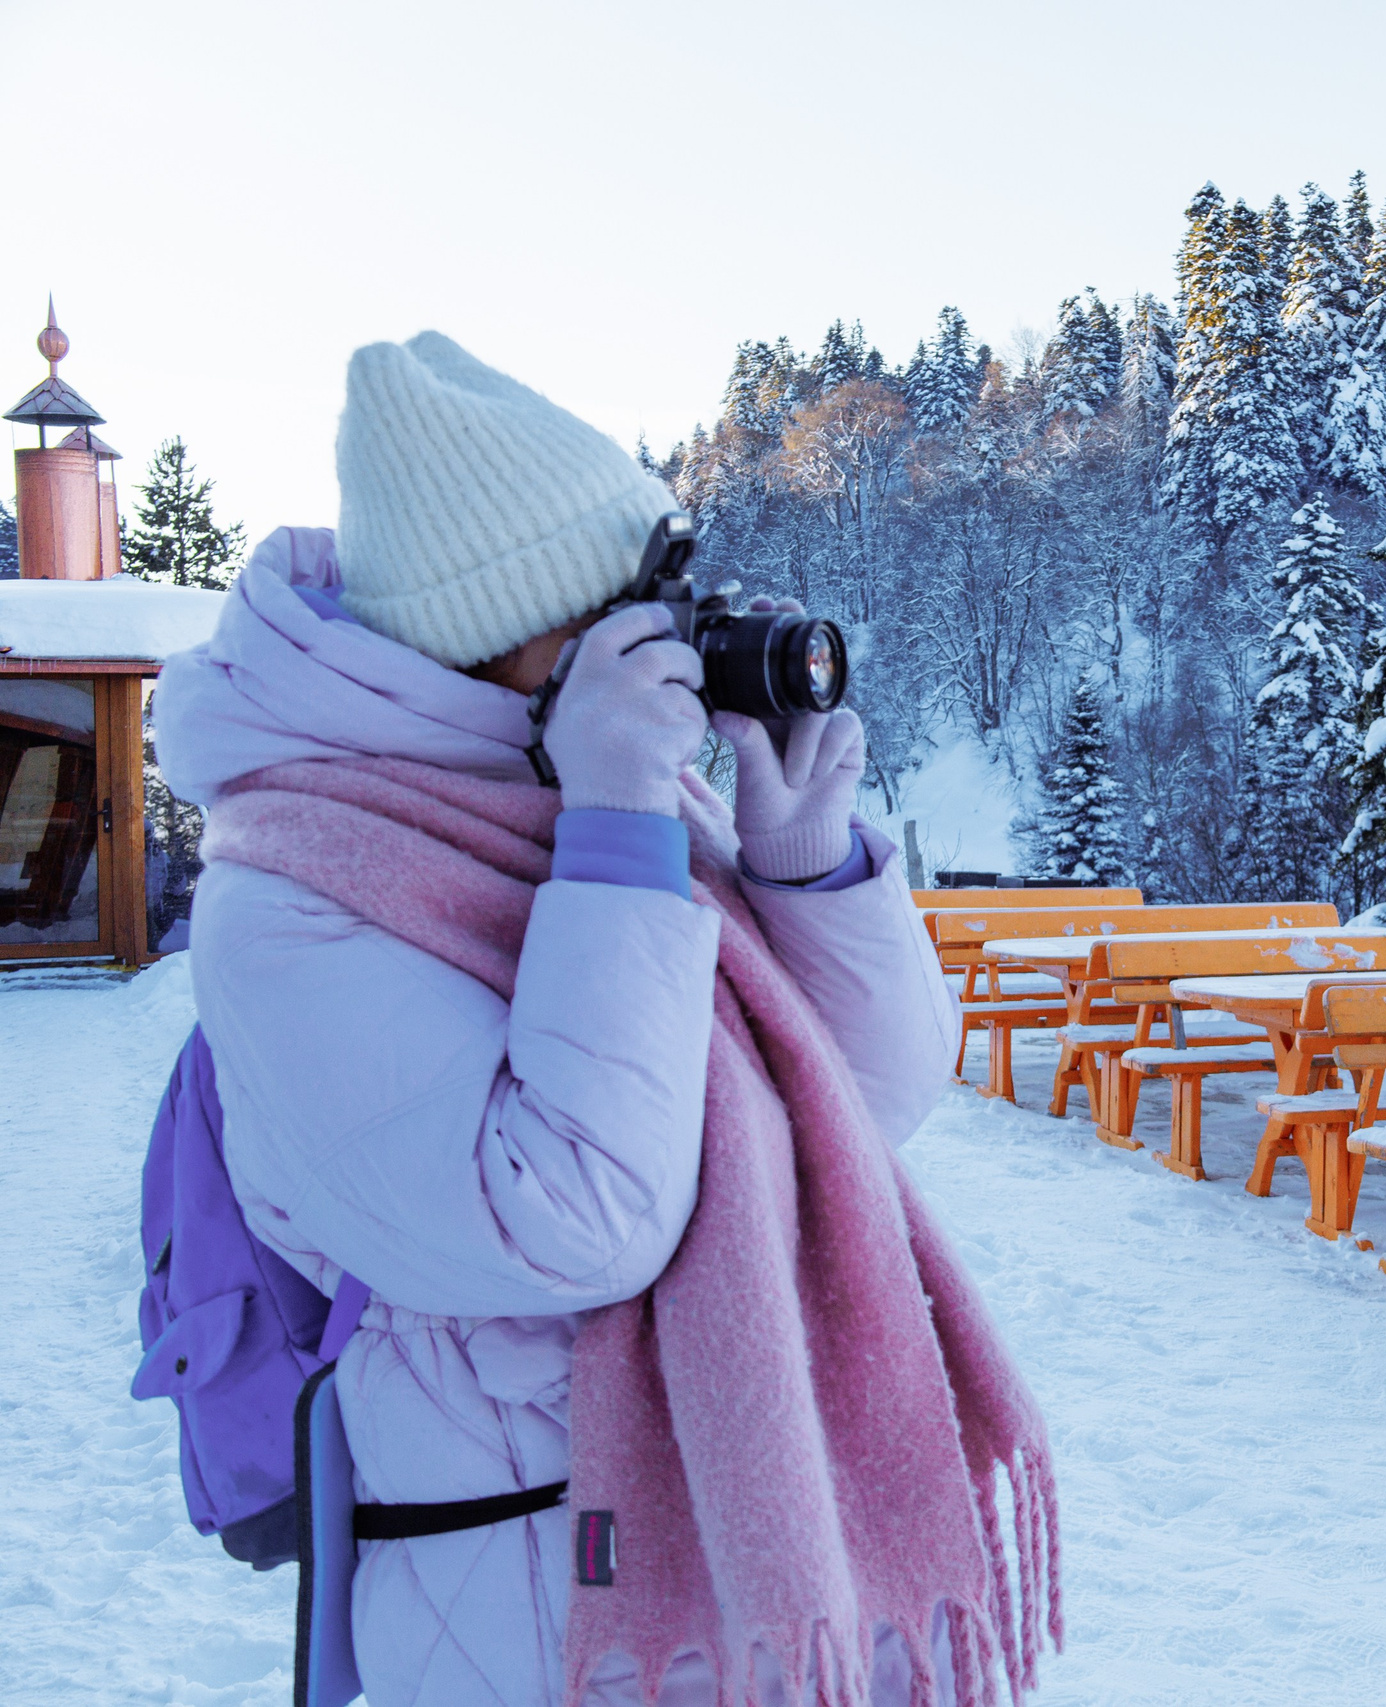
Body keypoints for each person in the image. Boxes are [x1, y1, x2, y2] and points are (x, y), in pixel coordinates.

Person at [153, 334, 1045, 1707]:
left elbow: (874, 1096)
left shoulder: (590, 786)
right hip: (535, 1624)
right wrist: (618, 836)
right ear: (508, 639)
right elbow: (574, 1219)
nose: (669, 642)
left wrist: (804, 858)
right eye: (626, 608)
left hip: (746, 1586)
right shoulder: (294, 890)